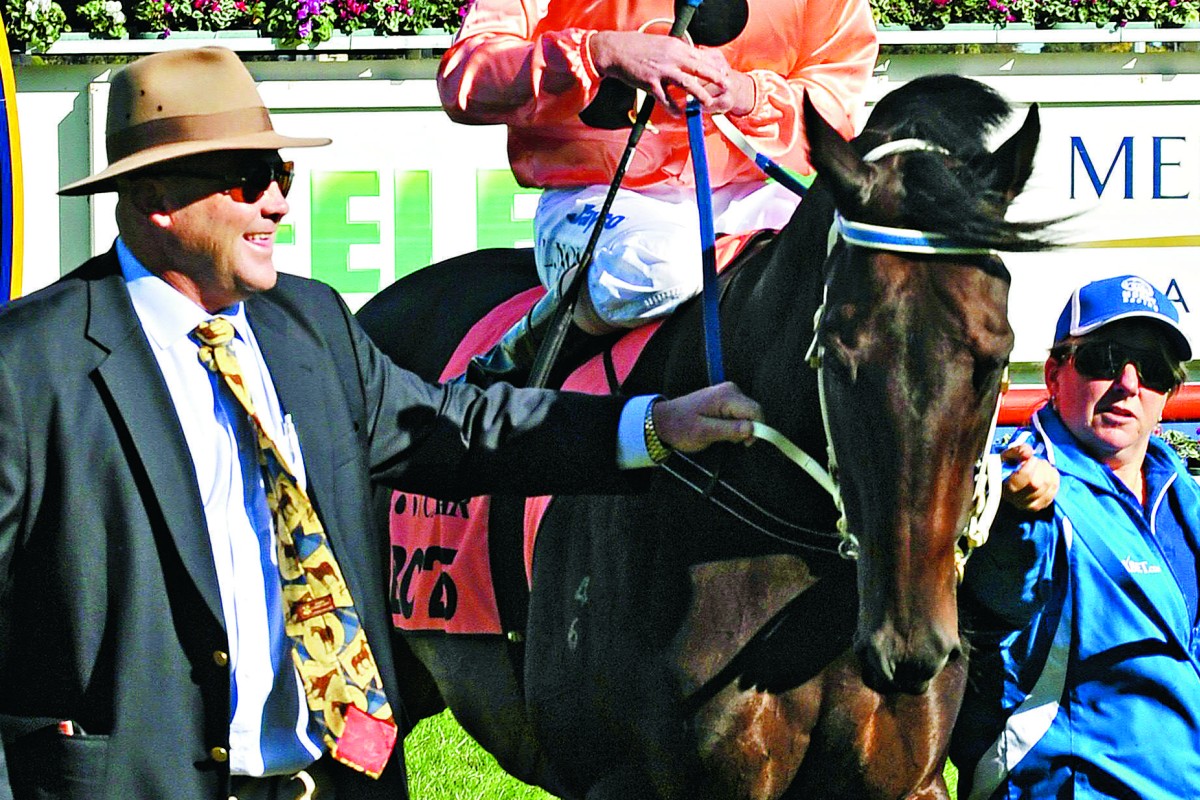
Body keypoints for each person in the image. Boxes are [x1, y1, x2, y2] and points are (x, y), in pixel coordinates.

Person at [0, 47, 764, 800]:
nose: (277, 202)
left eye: (282, 174)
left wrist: (653, 426)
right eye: (248, 180)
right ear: (158, 200)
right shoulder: (31, 364)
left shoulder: (309, 322)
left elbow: (456, 427)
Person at [437, 0, 878, 385]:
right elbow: (466, 78)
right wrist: (598, 53)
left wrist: (748, 95)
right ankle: (511, 359)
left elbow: (837, 104)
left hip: (754, 193)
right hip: (598, 195)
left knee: (863, 259)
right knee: (662, 268)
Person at [950, 274, 1200, 800]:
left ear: (1168, 395)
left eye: (1152, 370)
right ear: (1053, 373)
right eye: (1105, 359)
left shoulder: (1183, 494)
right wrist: (1022, 514)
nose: (1129, 384)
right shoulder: (1015, 479)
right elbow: (1005, 595)